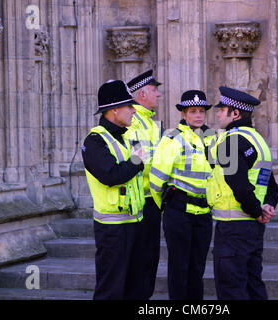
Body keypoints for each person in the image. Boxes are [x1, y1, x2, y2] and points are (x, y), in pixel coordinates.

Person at [207, 86, 278, 300]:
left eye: (222, 109)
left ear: (235, 114)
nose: (218, 113)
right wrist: (266, 207)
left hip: (233, 227)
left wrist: (257, 211)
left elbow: (237, 184)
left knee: (231, 289)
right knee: (252, 285)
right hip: (252, 228)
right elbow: (270, 185)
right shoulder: (258, 140)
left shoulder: (230, 141)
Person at [81, 80, 147, 300]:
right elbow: (112, 176)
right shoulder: (94, 141)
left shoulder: (129, 136)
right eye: (129, 106)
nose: (133, 110)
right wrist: (137, 161)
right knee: (111, 290)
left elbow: (143, 165)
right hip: (113, 228)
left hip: (135, 224)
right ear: (114, 109)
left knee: (135, 288)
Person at [149, 90, 216, 300]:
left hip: (204, 212)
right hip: (179, 211)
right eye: (193, 111)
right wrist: (167, 205)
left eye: (201, 111)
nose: (198, 115)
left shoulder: (212, 137)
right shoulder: (172, 137)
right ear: (184, 114)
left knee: (197, 267)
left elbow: (220, 174)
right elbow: (157, 177)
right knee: (179, 267)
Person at [124, 69, 163, 299]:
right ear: (141, 94)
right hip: (140, 201)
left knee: (149, 260)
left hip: (153, 199)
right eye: (154, 90)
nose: (159, 94)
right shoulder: (134, 123)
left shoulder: (150, 122)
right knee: (140, 261)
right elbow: (140, 160)